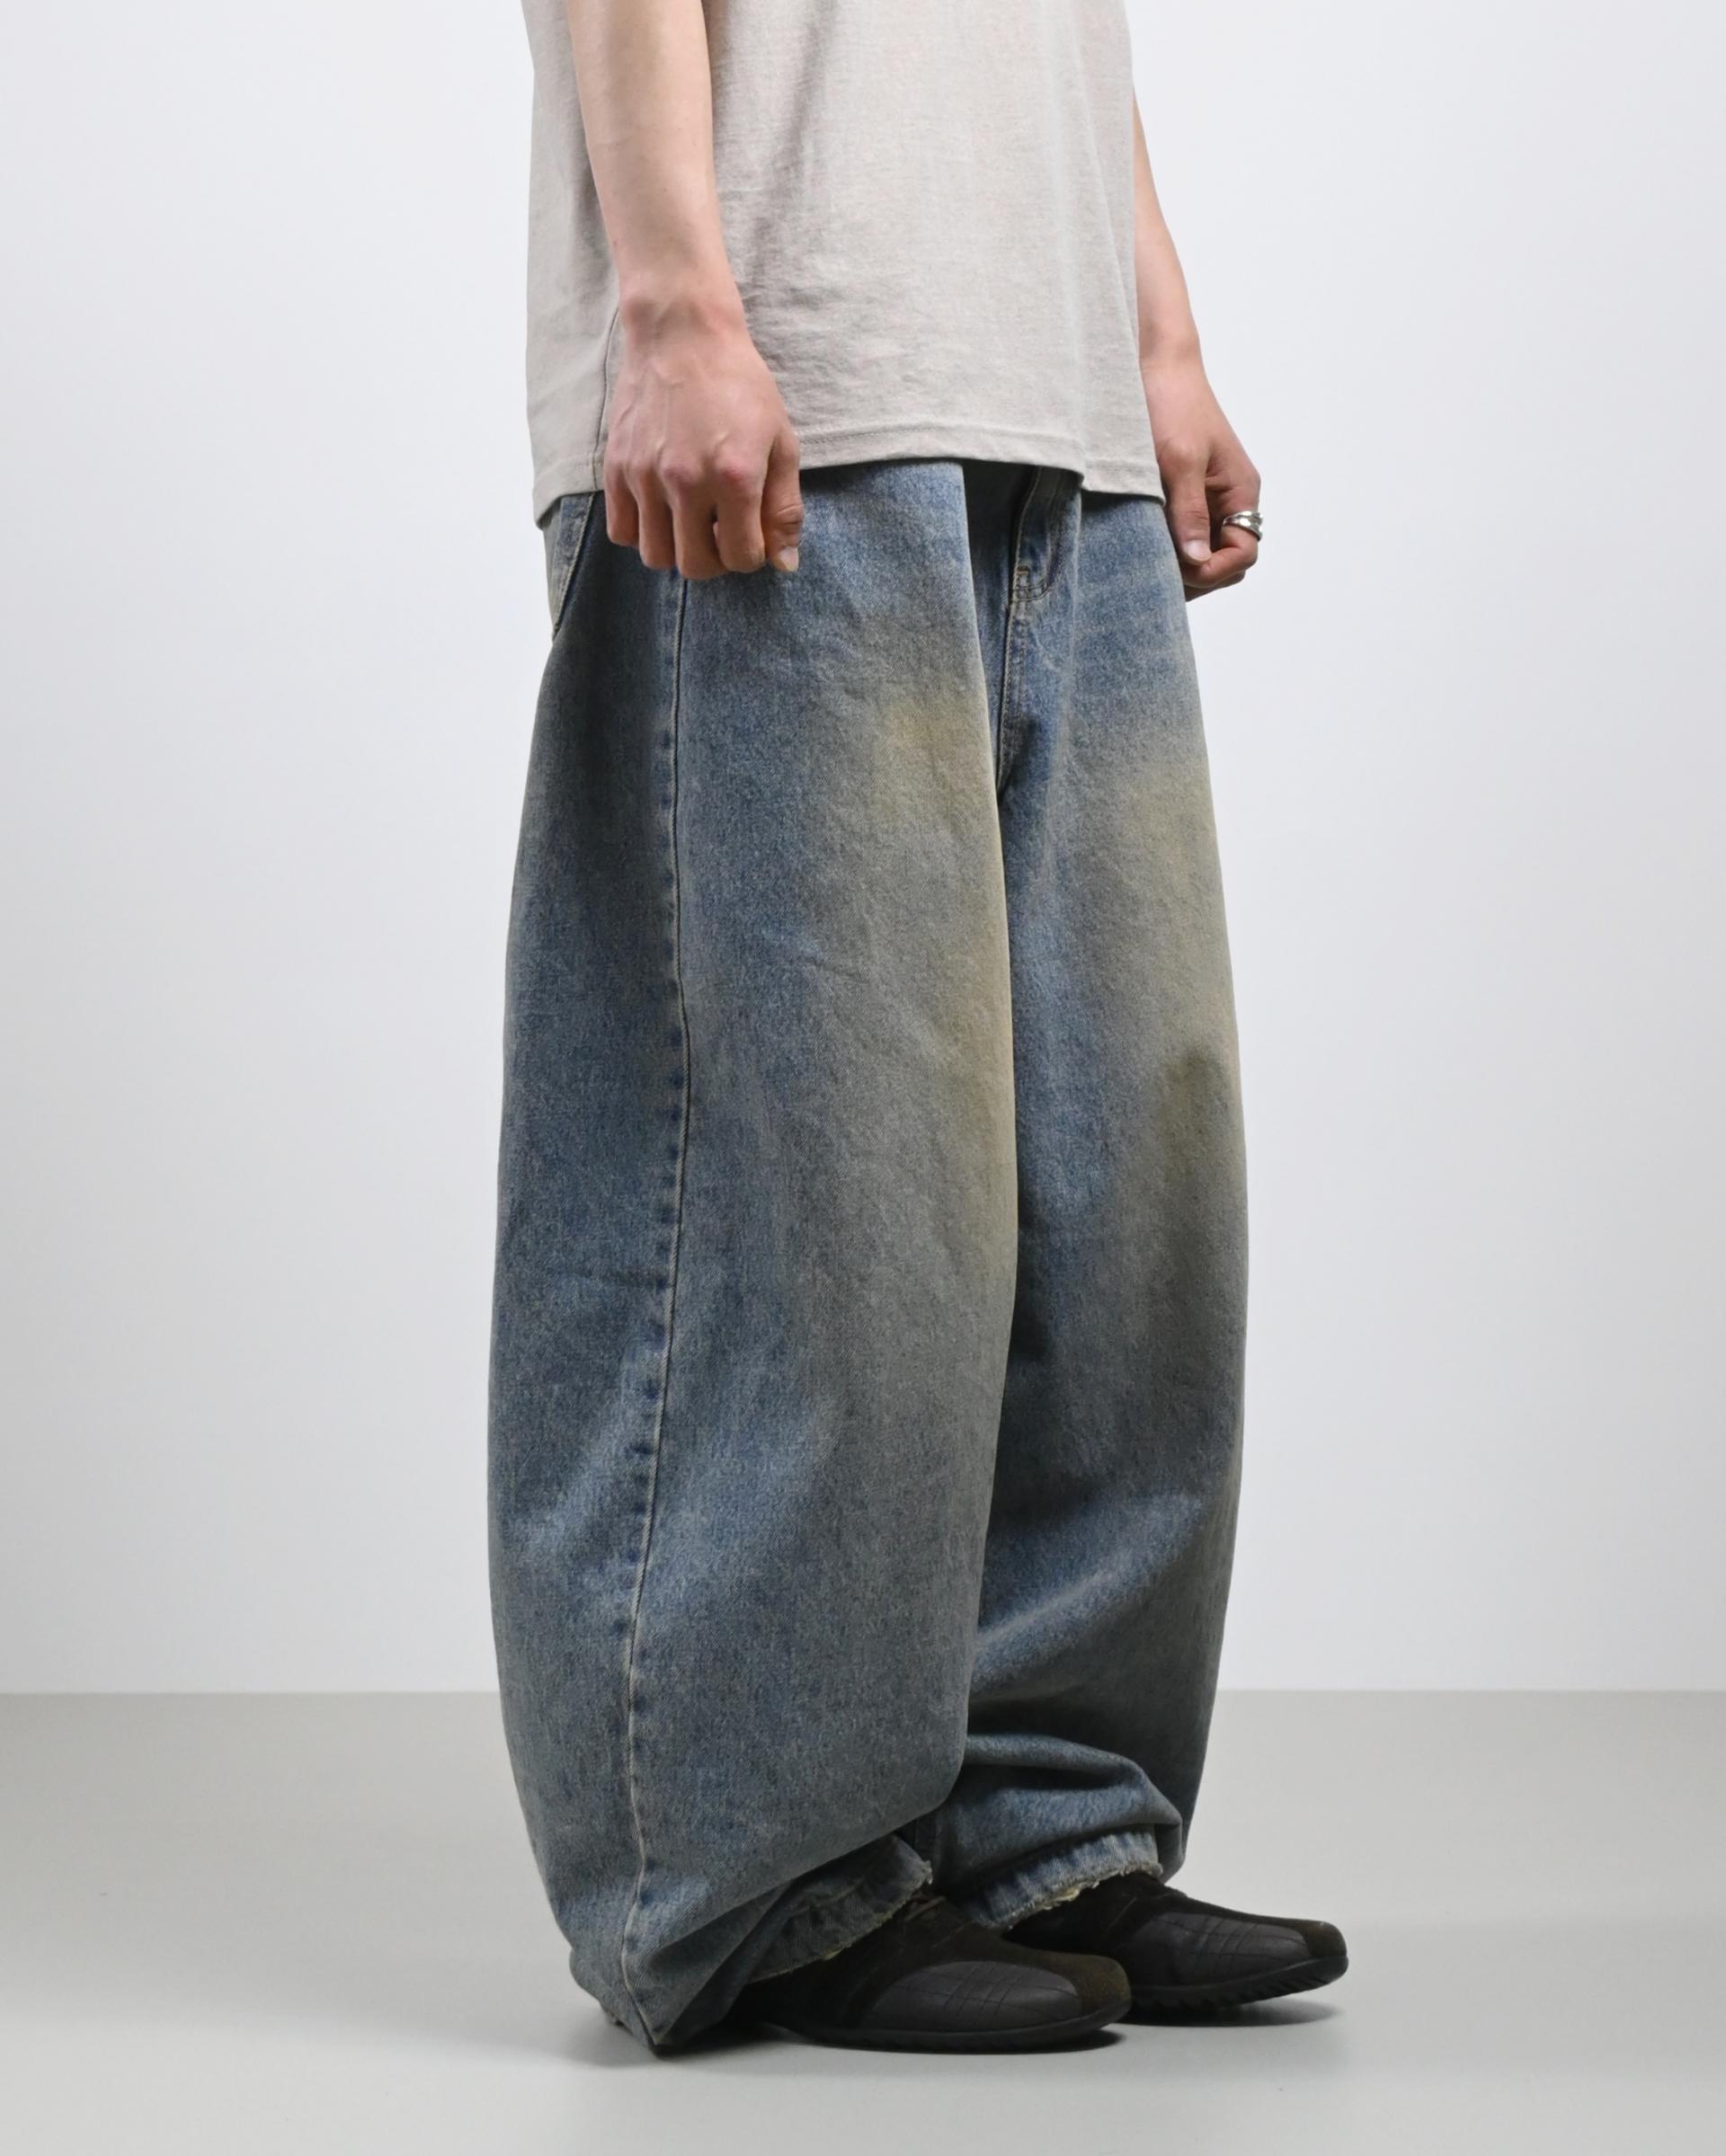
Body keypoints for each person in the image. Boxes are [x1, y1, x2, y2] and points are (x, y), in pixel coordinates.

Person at [489, 0, 1346, 2055]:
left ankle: (1047, 1824)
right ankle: (754, 1870)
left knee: (1125, 1178)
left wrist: (1157, 342)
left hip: (1060, 408)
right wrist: (672, 300)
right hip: (791, 368)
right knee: (832, 1190)